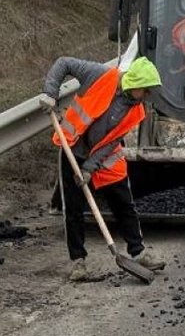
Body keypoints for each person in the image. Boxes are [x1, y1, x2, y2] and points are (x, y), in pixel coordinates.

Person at [37, 57, 167, 282]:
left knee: (124, 203)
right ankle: (78, 262)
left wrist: (89, 168)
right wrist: (50, 93)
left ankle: (139, 252)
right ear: (134, 83)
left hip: (103, 156)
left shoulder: (136, 111)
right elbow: (63, 63)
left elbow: (112, 142)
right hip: (72, 147)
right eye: (146, 90)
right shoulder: (99, 74)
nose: (147, 95)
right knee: (73, 208)